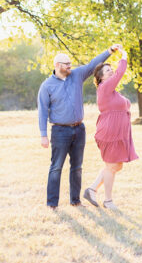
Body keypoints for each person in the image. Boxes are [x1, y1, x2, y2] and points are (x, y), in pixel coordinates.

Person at [38, 45, 120, 209]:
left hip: (79, 129)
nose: (69, 66)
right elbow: (42, 110)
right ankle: (52, 203)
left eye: (70, 63)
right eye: (66, 64)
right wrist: (43, 134)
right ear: (57, 65)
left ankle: (75, 201)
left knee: (77, 167)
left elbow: (92, 65)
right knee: (56, 167)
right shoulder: (47, 86)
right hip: (60, 131)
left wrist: (109, 51)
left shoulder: (76, 75)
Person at [83, 45, 139, 210]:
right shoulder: (105, 87)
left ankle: (91, 189)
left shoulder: (113, 91)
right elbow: (121, 72)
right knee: (112, 166)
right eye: (107, 70)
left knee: (116, 165)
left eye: (111, 69)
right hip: (110, 132)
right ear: (100, 78)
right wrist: (124, 55)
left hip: (118, 133)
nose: (111, 71)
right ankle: (107, 201)